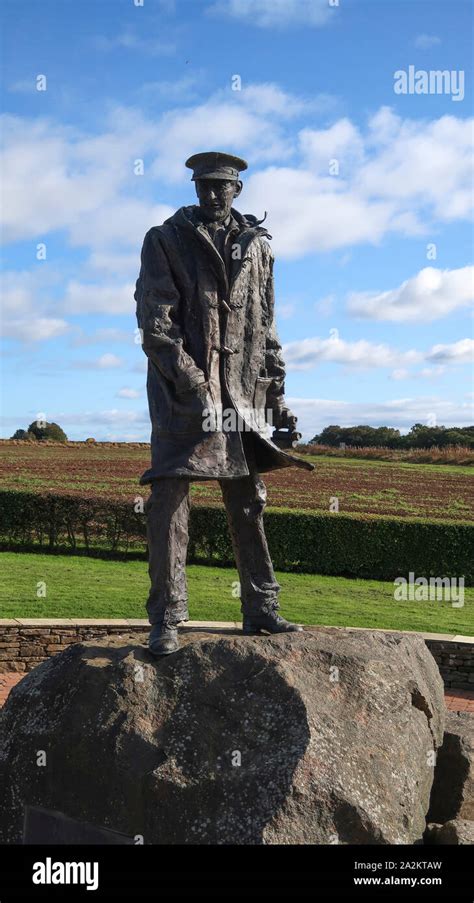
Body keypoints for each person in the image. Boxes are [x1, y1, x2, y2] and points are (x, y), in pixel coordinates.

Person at [134, 151, 314, 655]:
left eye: (222, 186)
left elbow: (264, 328)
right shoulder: (165, 240)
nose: (212, 194)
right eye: (204, 185)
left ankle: (260, 609)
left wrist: (277, 399)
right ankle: (166, 618)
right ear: (194, 187)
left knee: (249, 501)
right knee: (169, 503)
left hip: (241, 396)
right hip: (183, 397)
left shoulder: (258, 248)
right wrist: (192, 383)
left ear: (238, 189)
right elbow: (157, 325)